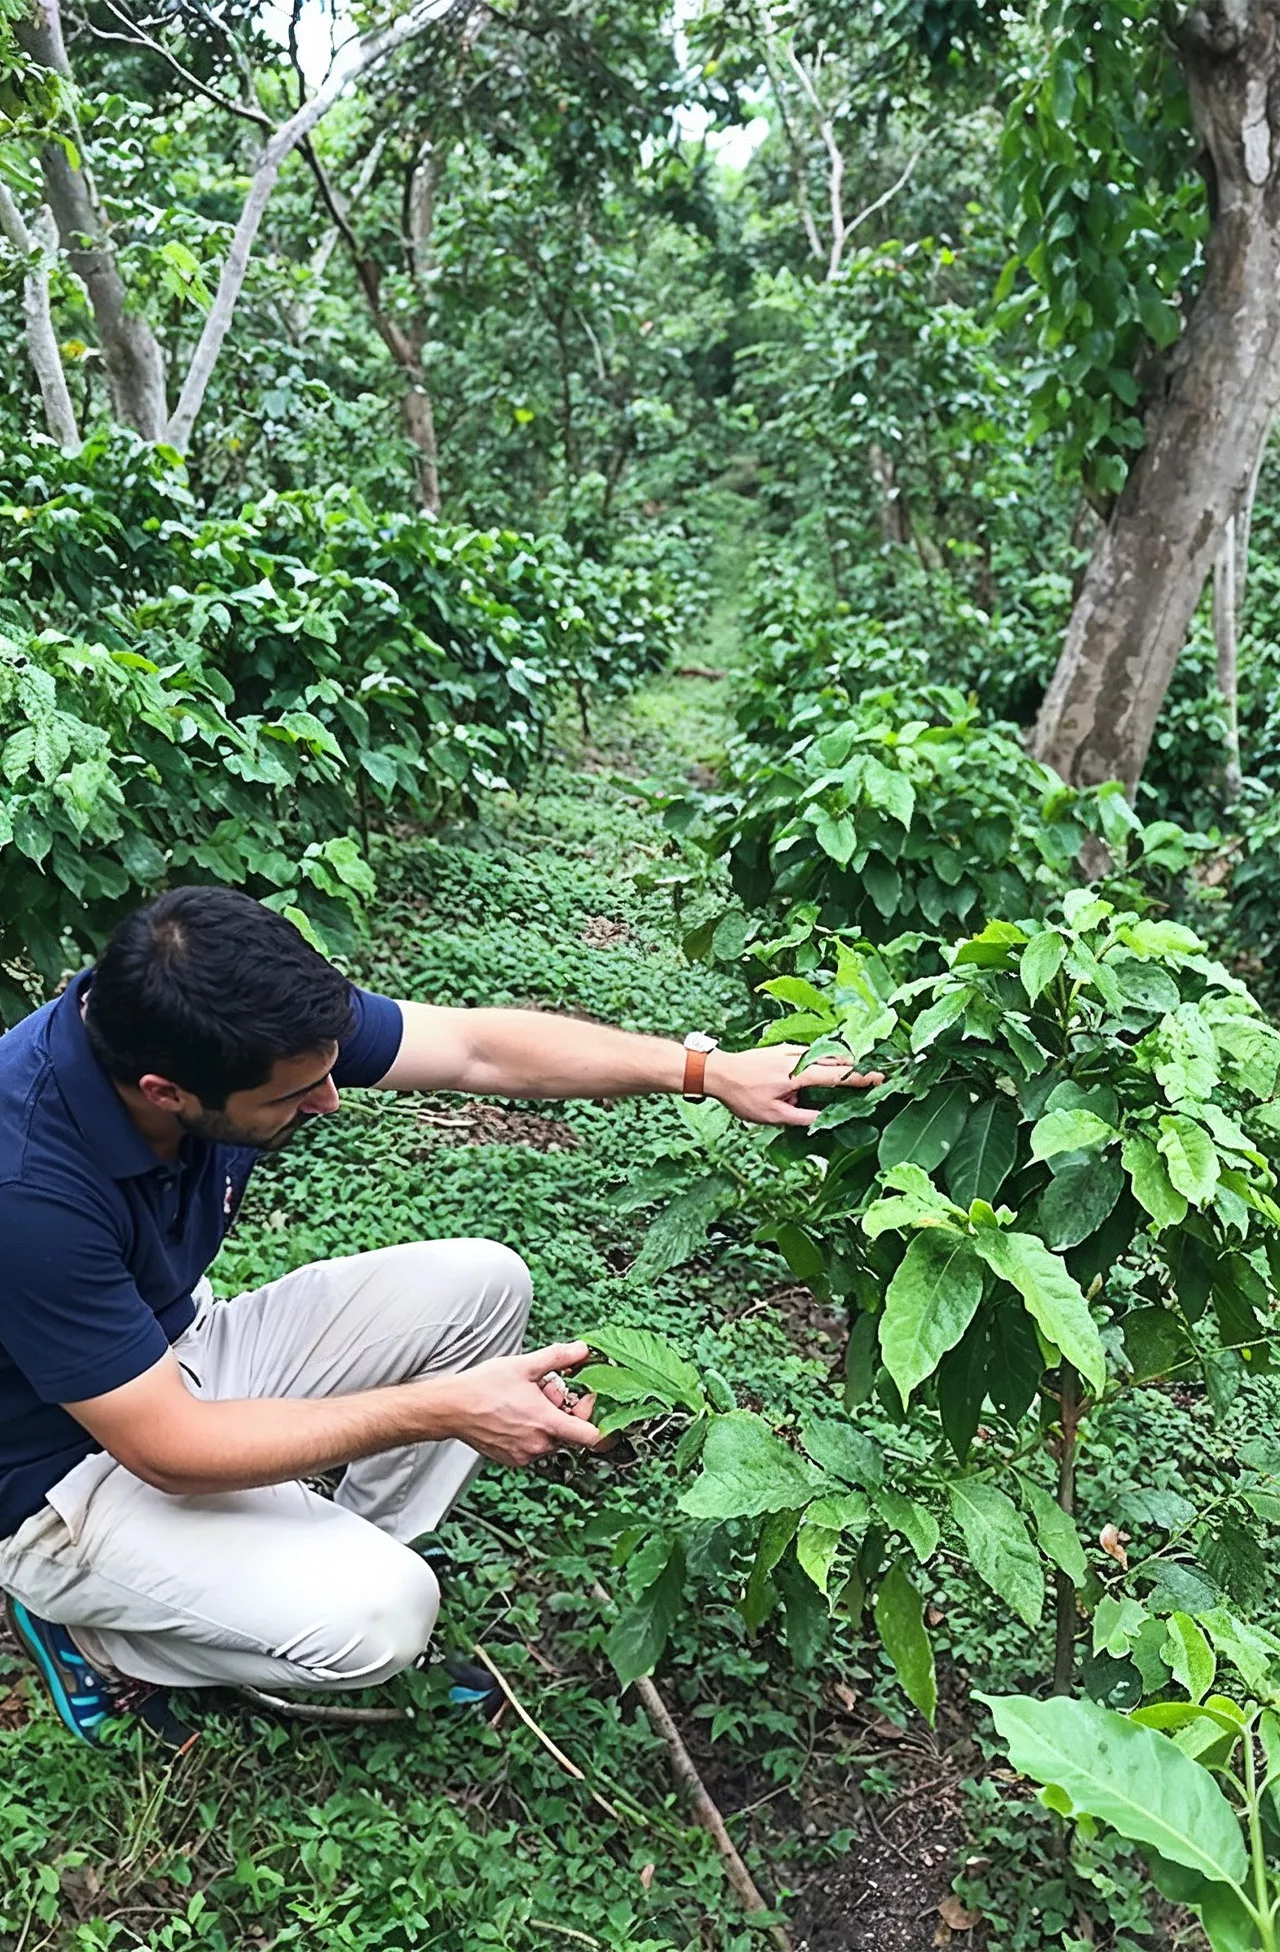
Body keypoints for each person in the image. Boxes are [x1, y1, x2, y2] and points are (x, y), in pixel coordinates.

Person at [0, 887, 880, 1744]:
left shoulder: (214, 1015)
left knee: (484, 1282)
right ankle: (97, 1636)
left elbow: (472, 1050)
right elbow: (169, 1450)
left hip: (169, 1348)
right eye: (294, 1097)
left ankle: (331, 1550)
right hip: (66, 1474)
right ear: (166, 1093)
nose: (330, 1101)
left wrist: (704, 1070)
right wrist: (447, 1407)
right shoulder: (30, 1187)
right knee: (383, 1618)